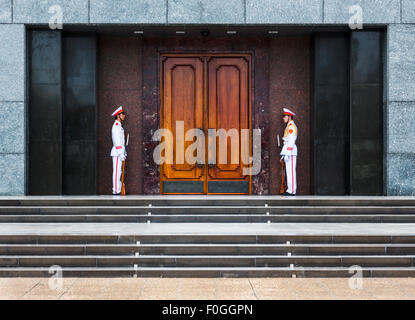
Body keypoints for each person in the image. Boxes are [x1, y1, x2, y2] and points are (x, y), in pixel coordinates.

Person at [281, 108, 298, 196]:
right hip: (288, 151)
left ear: (289, 117)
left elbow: (291, 141)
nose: (283, 118)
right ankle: (290, 189)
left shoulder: (291, 127)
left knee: (291, 171)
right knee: (289, 171)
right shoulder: (289, 126)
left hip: (290, 151)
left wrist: (287, 153)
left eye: (285, 116)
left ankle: (291, 190)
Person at [111, 106, 127, 195]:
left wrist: (124, 152)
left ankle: (118, 189)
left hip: (120, 152)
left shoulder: (119, 126)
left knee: (119, 171)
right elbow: (117, 141)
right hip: (117, 153)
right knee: (117, 172)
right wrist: (121, 153)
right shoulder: (116, 126)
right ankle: (116, 190)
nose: (124, 116)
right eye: (122, 114)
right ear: (118, 116)